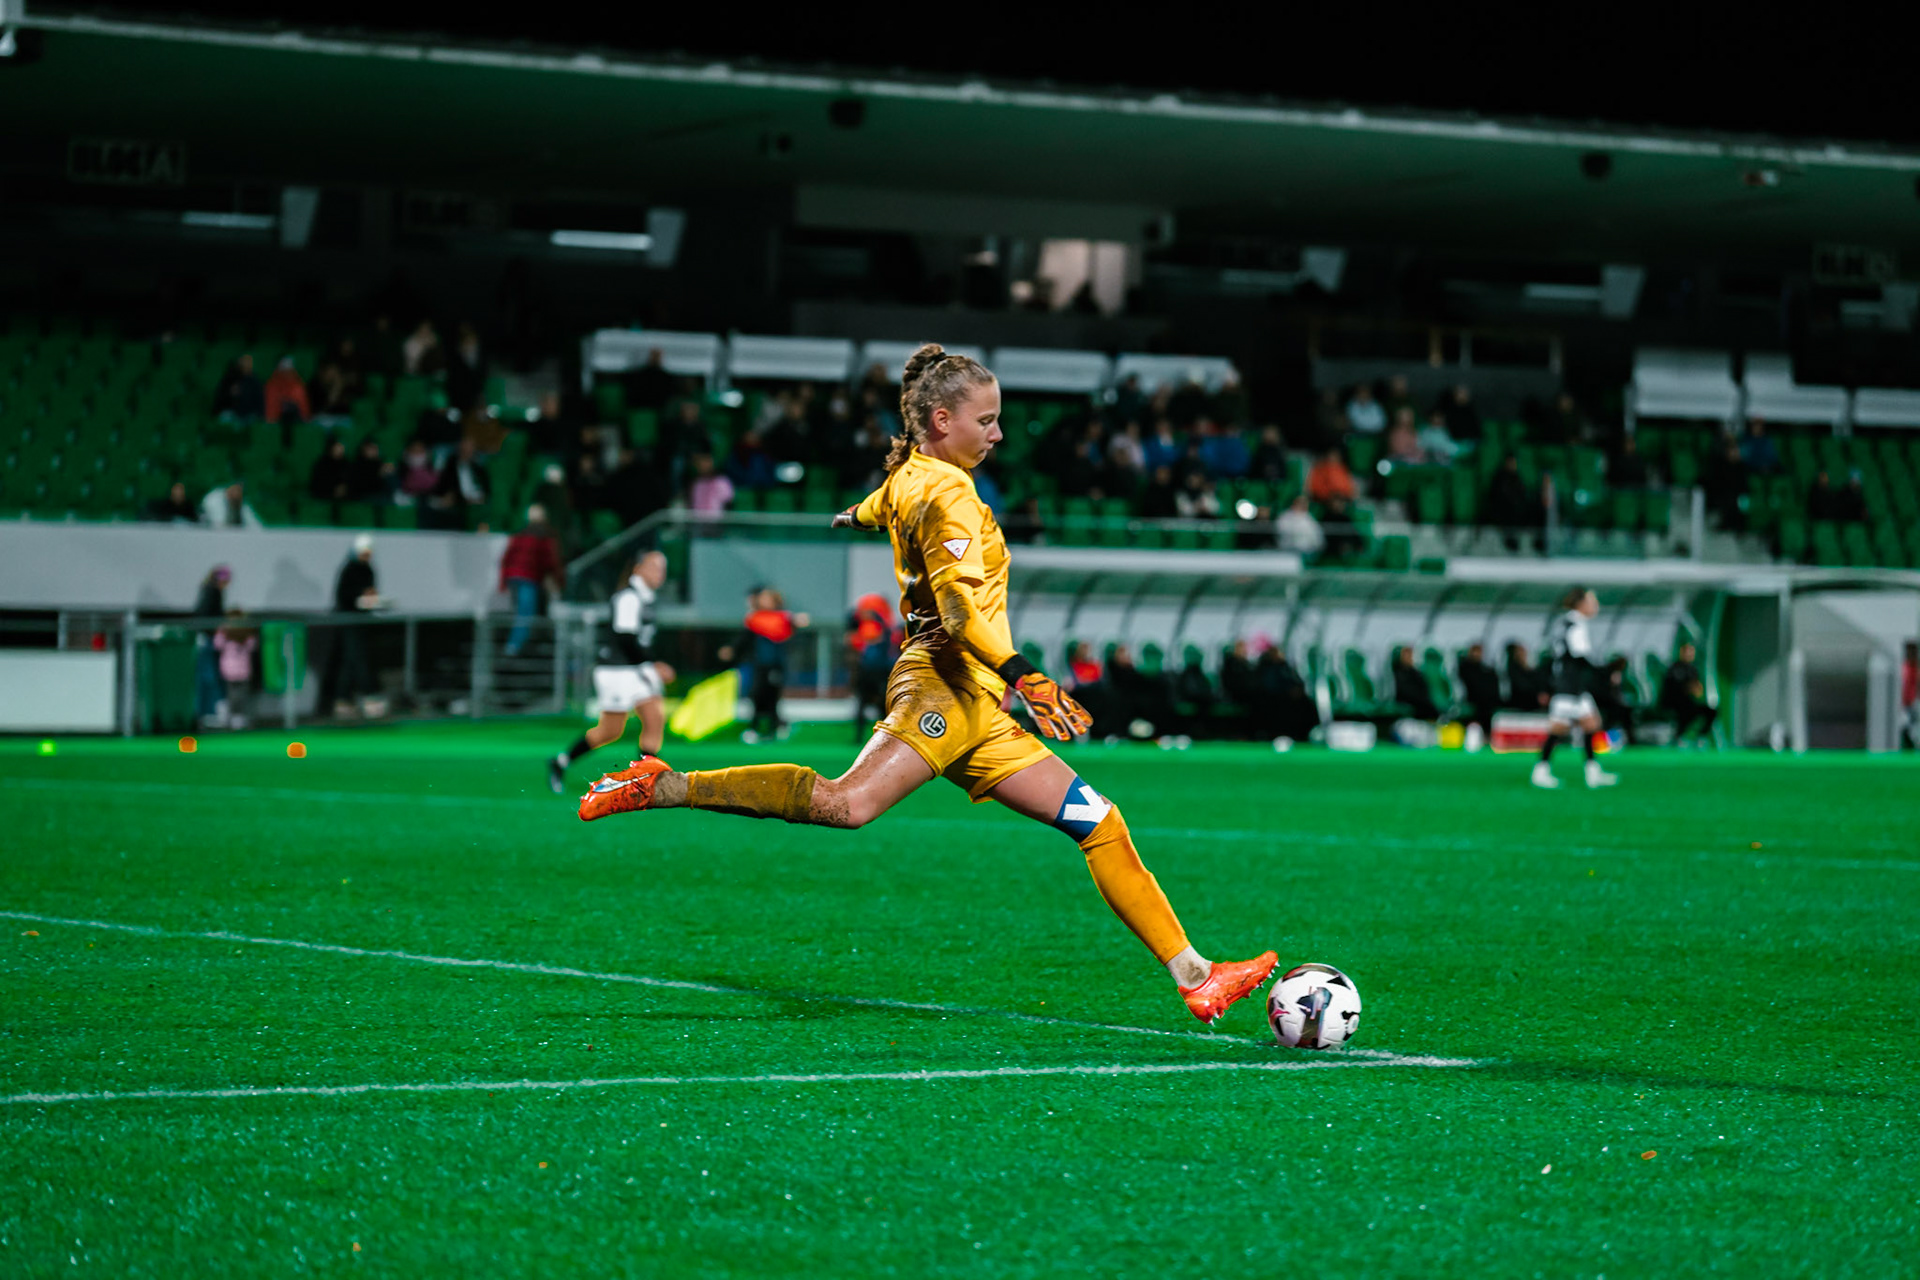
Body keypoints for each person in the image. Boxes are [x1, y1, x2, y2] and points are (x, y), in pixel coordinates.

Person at [576, 343, 1277, 1027]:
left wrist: (853, 514)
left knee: (1099, 821)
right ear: (943, 421)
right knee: (846, 805)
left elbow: (880, 504)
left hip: (979, 707)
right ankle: (665, 783)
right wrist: (1023, 674)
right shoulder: (950, 497)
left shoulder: (910, 474)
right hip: (945, 683)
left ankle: (1196, 976)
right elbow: (961, 612)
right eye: (987, 420)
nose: (999, 434)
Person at [547, 551, 677, 794]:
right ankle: (560, 762)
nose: (659, 573)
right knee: (610, 731)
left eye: (662, 568)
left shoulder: (646, 598)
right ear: (637, 569)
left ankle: (644, 780)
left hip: (635, 668)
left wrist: (648, 664)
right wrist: (652, 665)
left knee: (654, 718)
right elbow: (625, 638)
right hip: (617, 670)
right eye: (653, 567)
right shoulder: (629, 597)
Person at [1533, 587, 1619, 789]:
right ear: (1581, 604)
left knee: (1591, 724)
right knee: (1557, 730)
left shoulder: (1566, 623)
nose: (1596, 605)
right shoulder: (1575, 625)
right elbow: (1579, 657)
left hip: (1572, 686)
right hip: (1569, 687)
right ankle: (1541, 771)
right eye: (1592, 601)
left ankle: (1592, 772)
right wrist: (1605, 673)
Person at [719, 588, 811, 743]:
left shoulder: (783, 618)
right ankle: (757, 728)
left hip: (776, 664)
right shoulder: (755, 619)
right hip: (760, 664)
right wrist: (732, 650)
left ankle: (774, 728)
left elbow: (797, 622)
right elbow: (744, 639)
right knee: (756, 695)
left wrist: (799, 620)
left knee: (772, 697)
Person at [321, 534, 386, 718]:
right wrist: (361, 595)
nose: (367, 557)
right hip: (348, 620)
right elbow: (344, 596)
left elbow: (370, 592)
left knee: (351, 661)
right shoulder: (349, 569)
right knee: (356, 659)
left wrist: (370, 596)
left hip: (362, 620)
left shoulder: (369, 569)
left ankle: (343, 699)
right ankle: (369, 697)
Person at [500, 505, 565, 658]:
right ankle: (514, 646)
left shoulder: (520, 534)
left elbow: (506, 559)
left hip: (514, 577)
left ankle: (518, 644)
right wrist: (559, 581)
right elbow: (551, 561)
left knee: (522, 612)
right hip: (528, 578)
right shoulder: (545, 536)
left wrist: (503, 582)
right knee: (525, 613)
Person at [847, 591, 901, 743]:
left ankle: (884, 737)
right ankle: (859, 737)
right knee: (862, 703)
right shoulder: (862, 629)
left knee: (882, 705)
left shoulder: (886, 629)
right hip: (866, 671)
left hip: (881, 671)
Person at [192, 565, 231, 729]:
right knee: (209, 676)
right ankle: (208, 713)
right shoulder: (213, 591)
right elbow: (208, 615)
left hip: (208, 638)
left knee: (208, 675)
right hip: (208, 638)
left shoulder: (208, 590)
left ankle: (207, 713)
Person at [1658, 641, 1718, 746]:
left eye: (1692, 652)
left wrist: (1696, 689)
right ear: (1681, 653)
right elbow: (1678, 688)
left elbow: (1697, 690)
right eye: (1687, 652)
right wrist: (1690, 688)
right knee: (1686, 712)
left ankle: (1700, 737)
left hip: (1687, 703)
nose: (1690, 655)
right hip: (1673, 703)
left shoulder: (1692, 669)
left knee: (1710, 712)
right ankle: (1678, 738)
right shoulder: (1675, 668)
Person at [427, 437, 490, 530]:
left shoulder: (479, 469)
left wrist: (480, 498)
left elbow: (486, 489)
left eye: (469, 450)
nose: (466, 452)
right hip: (458, 501)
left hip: (477, 502)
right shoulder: (451, 466)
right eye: (464, 449)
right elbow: (443, 487)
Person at [211, 610, 258, 730]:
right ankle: (235, 718)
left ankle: (235, 718)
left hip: (233, 670)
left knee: (236, 695)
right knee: (238, 696)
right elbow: (252, 646)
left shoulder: (228, 632)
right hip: (239, 670)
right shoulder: (241, 633)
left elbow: (217, 645)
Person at [1457, 642, 1503, 734]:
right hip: (1472, 702)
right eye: (1475, 651)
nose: (1477, 654)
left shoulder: (1486, 670)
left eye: (1479, 652)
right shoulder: (1464, 668)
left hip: (1487, 703)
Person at [1391, 646, 1440, 721]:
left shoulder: (1415, 673)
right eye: (1406, 655)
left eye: (1410, 655)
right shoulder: (1398, 673)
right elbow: (1403, 691)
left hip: (1420, 701)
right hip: (1408, 702)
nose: (1409, 658)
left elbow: (1424, 687)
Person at [211, 354, 264, 421]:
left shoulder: (255, 381)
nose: (246, 366)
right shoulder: (229, 379)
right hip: (230, 414)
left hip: (248, 416)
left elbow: (259, 402)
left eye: (248, 364)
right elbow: (220, 400)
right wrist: (230, 394)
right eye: (243, 364)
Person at [263, 356, 311, 426]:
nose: (287, 374)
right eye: (284, 371)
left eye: (289, 371)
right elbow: (270, 413)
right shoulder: (271, 387)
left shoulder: (298, 387)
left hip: (297, 425)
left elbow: (304, 413)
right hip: (276, 425)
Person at [1505, 642, 1549, 712]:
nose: (1524, 654)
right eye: (1520, 651)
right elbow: (1523, 686)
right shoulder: (1513, 669)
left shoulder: (1533, 671)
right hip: (1520, 706)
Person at [309, 438, 352, 506]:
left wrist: (345, 489)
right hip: (324, 499)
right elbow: (316, 484)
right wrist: (333, 490)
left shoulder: (347, 464)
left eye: (341, 447)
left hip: (345, 501)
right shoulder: (321, 464)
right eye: (336, 447)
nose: (339, 450)